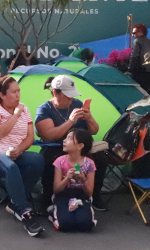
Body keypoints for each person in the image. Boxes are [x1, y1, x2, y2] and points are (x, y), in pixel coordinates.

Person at [0, 75, 45, 236]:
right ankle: (25, 212)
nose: (18, 95)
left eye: (19, 91)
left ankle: (14, 202)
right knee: (10, 167)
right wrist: (15, 115)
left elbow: (30, 137)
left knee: (38, 160)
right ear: (2, 95)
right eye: (14, 92)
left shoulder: (24, 108)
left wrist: (20, 149)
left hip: (15, 152)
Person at [36, 75, 104, 212]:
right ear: (55, 93)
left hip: (79, 147)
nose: (71, 99)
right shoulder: (45, 110)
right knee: (52, 159)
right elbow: (48, 136)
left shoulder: (77, 104)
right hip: (56, 146)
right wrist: (70, 122)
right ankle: (48, 196)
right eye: (67, 96)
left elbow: (95, 130)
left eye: (72, 96)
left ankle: (94, 194)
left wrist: (89, 118)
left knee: (100, 157)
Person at [48, 127, 98, 231]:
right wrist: (67, 178)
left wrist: (83, 180)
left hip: (81, 195)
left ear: (80, 146)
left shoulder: (89, 164)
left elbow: (89, 193)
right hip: (64, 194)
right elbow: (56, 189)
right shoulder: (60, 161)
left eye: (69, 139)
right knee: (65, 225)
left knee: (86, 225)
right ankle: (52, 212)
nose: (64, 141)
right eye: (65, 138)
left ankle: (82, 212)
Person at [128, 24, 150, 93]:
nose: (133, 36)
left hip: (140, 74)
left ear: (140, 32)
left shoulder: (138, 41)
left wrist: (130, 70)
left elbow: (134, 57)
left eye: (134, 33)